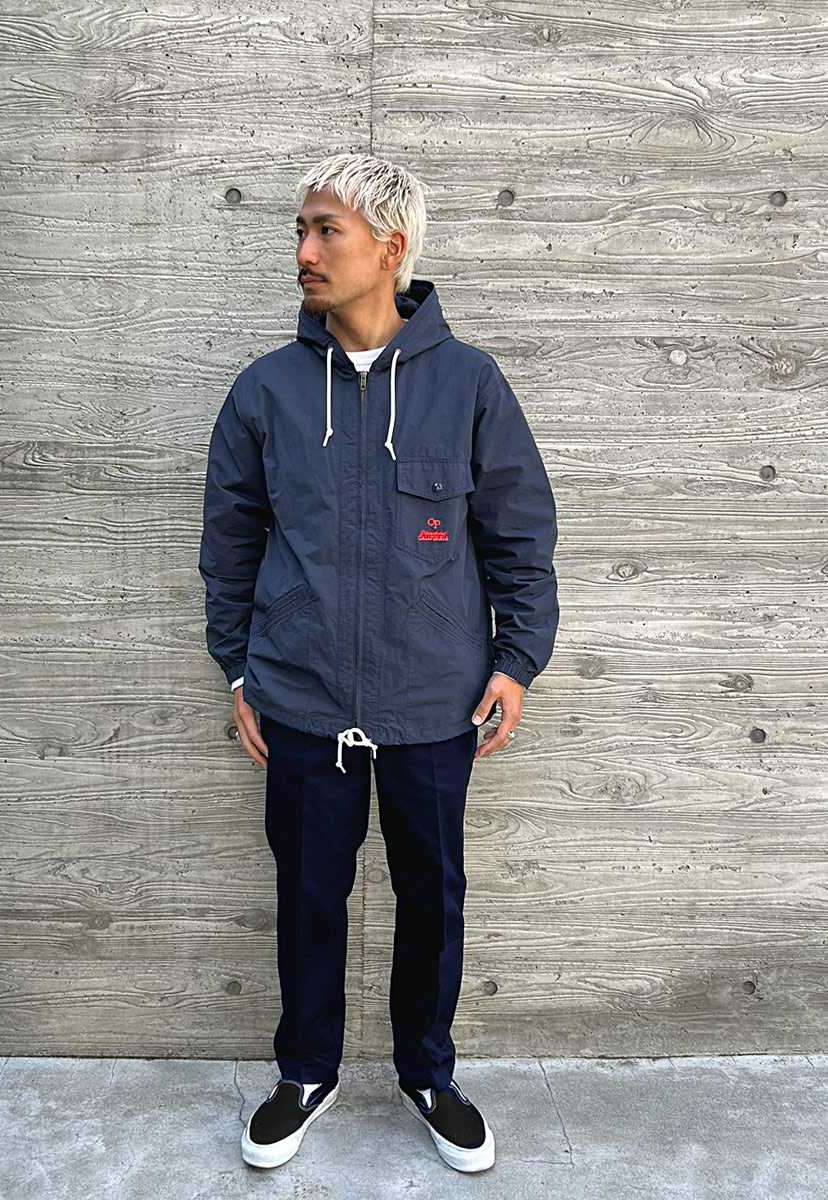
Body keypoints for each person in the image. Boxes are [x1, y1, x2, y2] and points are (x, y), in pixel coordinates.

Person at [198, 152, 559, 1174]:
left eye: (327, 231)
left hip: (435, 705)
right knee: (308, 900)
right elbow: (228, 545)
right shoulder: (267, 391)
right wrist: (240, 671)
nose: (304, 252)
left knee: (431, 902)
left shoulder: (469, 384)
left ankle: (428, 1076)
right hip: (301, 703)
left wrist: (516, 662)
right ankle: (305, 1073)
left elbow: (520, 538)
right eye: (301, 230)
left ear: (390, 248)